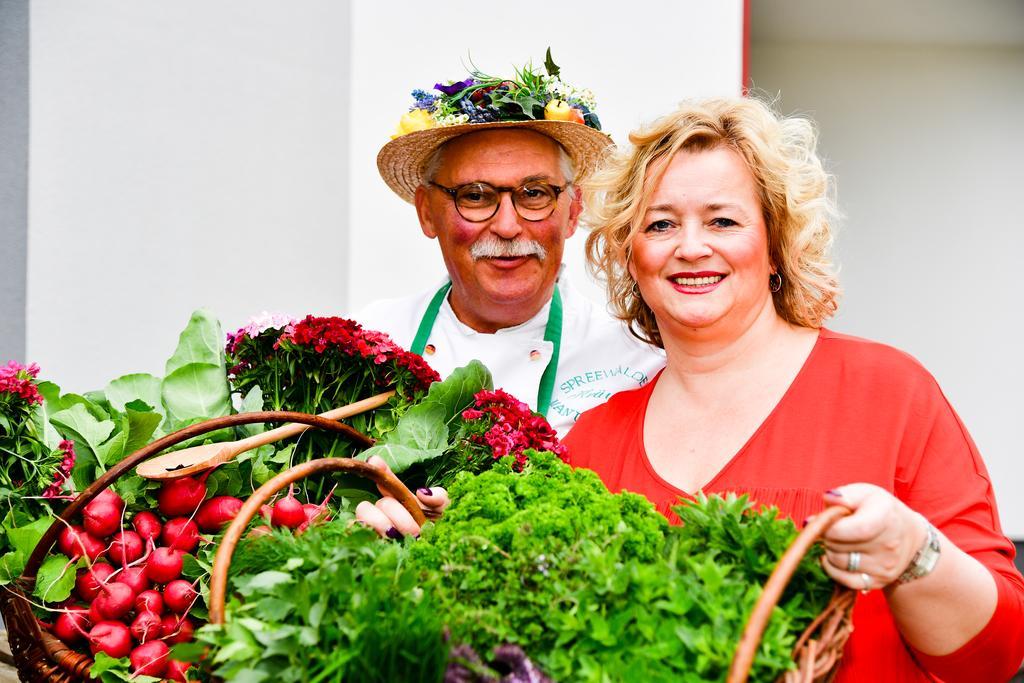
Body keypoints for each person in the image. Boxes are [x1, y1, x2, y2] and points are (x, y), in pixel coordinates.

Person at [560, 97, 1024, 681]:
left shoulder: (888, 394)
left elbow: (994, 656)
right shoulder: (593, 441)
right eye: (660, 224)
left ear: (776, 244)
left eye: (723, 220)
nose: (691, 246)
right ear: (632, 256)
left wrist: (913, 554)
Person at [359, 55, 664, 439]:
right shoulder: (373, 342)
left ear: (573, 212)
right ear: (427, 213)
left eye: (534, 194)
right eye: (475, 196)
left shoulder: (638, 362)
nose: (507, 226)